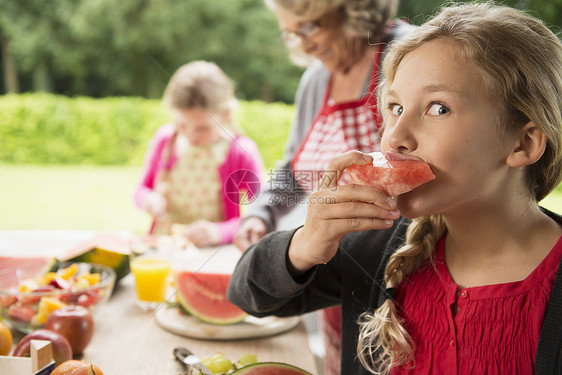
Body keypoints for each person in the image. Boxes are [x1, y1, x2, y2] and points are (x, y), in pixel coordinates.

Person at [227, 2, 562, 374]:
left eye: (438, 108)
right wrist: (304, 244)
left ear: (523, 143)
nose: (393, 138)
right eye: (395, 108)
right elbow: (246, 291)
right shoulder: (378, 247)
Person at [233, 2, 414, 373]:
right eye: (291, 33)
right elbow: (295, 166)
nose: (303, 44)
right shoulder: (316, 80)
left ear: (354, 11)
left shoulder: (407, 54)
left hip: (403, 270)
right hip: (336, 272)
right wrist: (262, 213)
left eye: (310, 27)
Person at [133, 61, 264, 247]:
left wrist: (220, 232)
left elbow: (262, 213)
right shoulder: (165, 140)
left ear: (225, 114)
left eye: (202, 128)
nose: (191, 136)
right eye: (182, 125)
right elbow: (140, 190)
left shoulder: (240, 152)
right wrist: (148, 200)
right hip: (165, 246)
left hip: (212, 253)